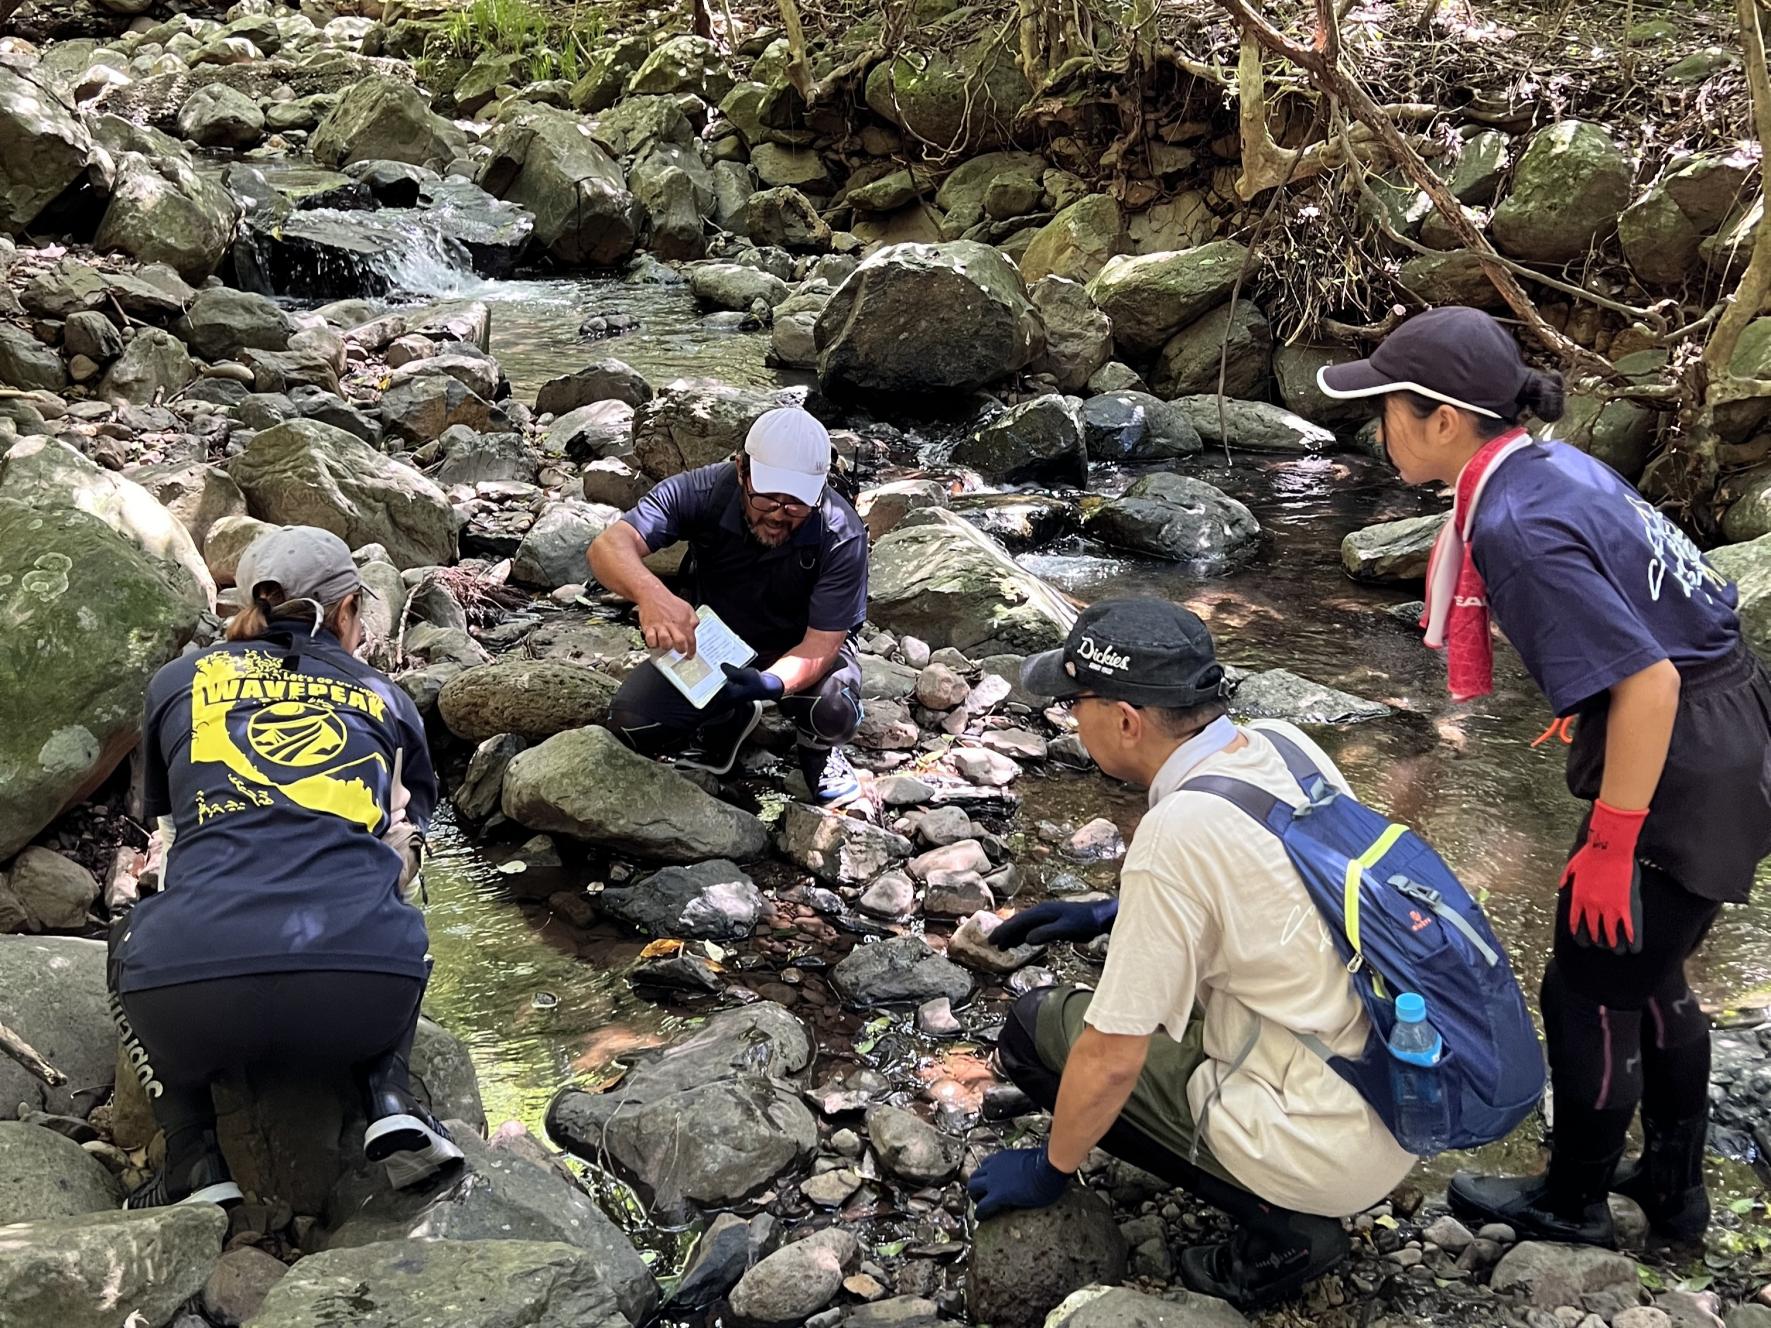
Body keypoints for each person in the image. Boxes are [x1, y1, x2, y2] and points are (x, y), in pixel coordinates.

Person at [1316, 305, 1771, 1246]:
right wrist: (1587, 702)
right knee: (1651, 975)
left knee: (1585, 988)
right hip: (1731, 729)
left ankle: (1574, 1202)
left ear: (1442, 419)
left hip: (1679, 760)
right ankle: (1673, 1193)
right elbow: (1664, 612)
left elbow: (1646, 681)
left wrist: (1612, 840)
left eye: (1386, 409)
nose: (1378, 427)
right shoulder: (1552, 467)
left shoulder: (1515, 520)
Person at [967, 599, 1419, 1310]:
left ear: (1124, 720)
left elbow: (1112, 1055)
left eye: (1075, 701)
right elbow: (1290, 888)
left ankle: (1284, 1226)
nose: (1067, 717)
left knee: (1034, 1031)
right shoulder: (1285, 745)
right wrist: (1109, 913)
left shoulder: (1175, 832)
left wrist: (1051, 1170)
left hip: (1316, 1147)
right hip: (1394, 1097)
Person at [109, 526, 463, 1208]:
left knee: (127, 934)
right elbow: (403, 848)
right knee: (390, 891)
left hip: (192, 1001)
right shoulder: (384, 697)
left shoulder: (176, 681)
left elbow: (171, 828)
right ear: (346, 610)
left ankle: (193, 1158)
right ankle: (388, 1097)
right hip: (358, 995)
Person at [588, 406, 869, 803]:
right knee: (633, 721)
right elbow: (607, 546)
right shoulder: (701, 493)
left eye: (796, 503)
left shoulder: (841, 533)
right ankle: (726, 717)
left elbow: (822, 645)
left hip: (800, 643)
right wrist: (652, 594)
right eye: (767, 497)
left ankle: (817, 746)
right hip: (717, 643)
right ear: (741, 470)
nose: (778, 514)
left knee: (834, 712)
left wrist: (772, 684)